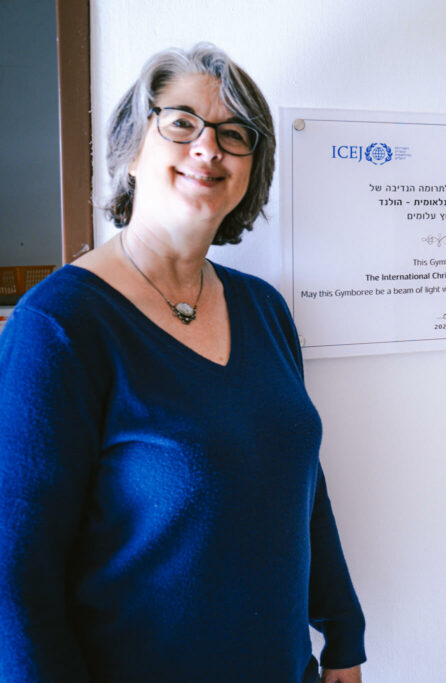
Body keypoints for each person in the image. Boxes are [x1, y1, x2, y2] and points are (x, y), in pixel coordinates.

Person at [0, 44, 366, 682]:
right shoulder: (60, 326)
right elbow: (14, 581)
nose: (209, 147)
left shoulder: (264, 310)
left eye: (235, 133)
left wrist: (342, 634)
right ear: (131, 147)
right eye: (181, 122)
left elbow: (303, 484)